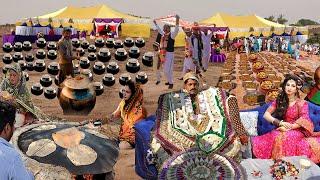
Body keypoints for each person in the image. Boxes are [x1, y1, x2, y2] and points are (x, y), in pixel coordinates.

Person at [148, 72, 248, 170]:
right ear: (185, 86)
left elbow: (225, 96)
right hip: (184, 135)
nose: (193, 87)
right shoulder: (175, 97)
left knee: (225, 140)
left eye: (195, 84)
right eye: (190, 84)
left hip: (208, 133)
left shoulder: (206, 93)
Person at [252, 75, 320, 163]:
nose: (290, 88)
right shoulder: (279, 100)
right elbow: (266, 115)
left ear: (296, 89)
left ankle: (285, 163)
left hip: (296, 129)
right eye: (288, 85)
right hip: (283, 126)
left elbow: (304, 119)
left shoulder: (301, 103)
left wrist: (289, 127)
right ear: (284, 86)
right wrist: (280, 123)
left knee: (286, 137)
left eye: (293, 86)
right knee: (274, 135)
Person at [0, 100, 34, 179]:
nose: (14, 128)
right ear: (7, 128)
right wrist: (31, 175)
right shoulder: (11, 157)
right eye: (14, 123)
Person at [108, 80, 147, 148]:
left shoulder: (139, 109)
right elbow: (115, 115)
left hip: (133, 138)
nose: (124, 94)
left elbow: (137, 129)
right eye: (123, 91)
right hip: (123, 134)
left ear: (133, 94)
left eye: (127, 92)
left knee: (119, 147)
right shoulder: (123, 103)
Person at [153, 15, 180, 89]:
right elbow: (159, 30)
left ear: (169, 28)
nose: (164, 29)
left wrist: (177, 20)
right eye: (164, 27)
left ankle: (171, 83)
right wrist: (155, 23)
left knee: (166, 70)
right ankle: (169, 81)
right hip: (163, 53)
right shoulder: (163, 35)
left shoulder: (172, 35)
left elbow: (177, 29)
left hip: (170, 54)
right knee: (168, 69)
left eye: (166, 28)